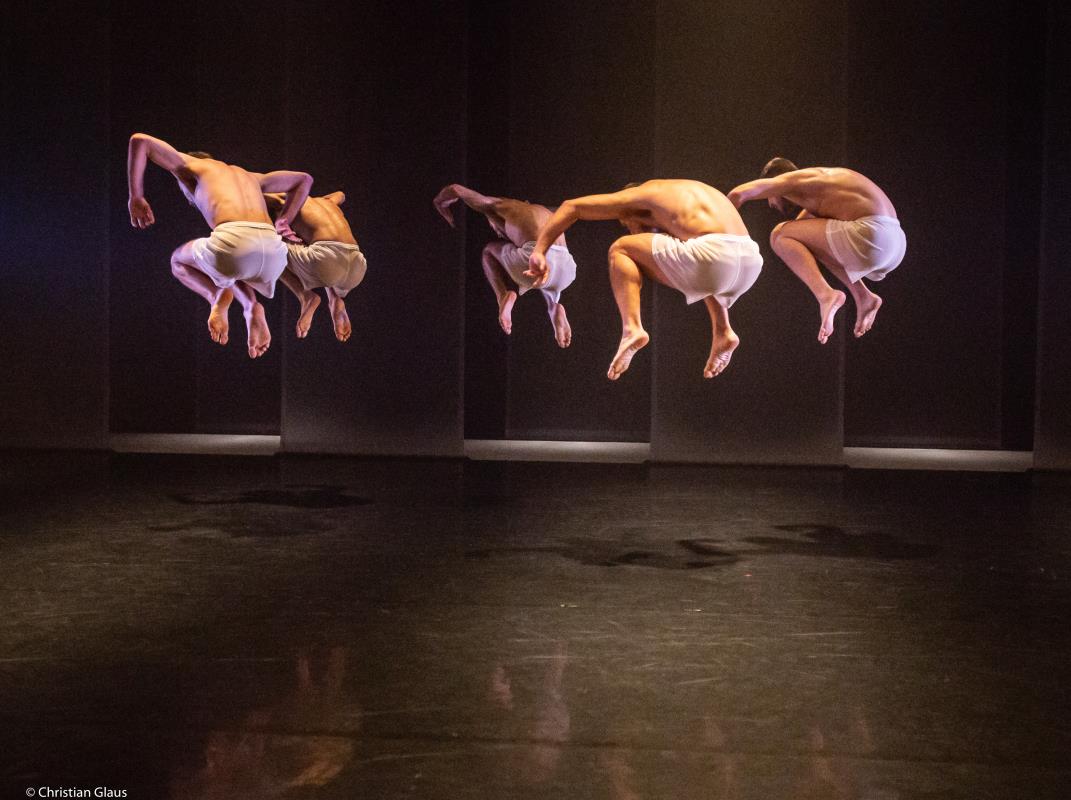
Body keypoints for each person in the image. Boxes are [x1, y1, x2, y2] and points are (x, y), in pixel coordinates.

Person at [528, 179, 762, 380]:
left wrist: (539, 251)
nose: (633, 231)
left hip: (713, 256)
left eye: (627, 224)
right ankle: (723, 331)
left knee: (621, 249)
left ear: (630, 209)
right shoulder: (683, 193)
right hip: (750, 261)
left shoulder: (640, 195)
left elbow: (572, 207)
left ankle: (632, 329)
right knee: (693, 262)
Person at [126, 133, 313, 358]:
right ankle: (250, 307)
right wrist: (284, 220)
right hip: (274, 255)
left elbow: (140, 140)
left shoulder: (192, 166)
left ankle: (216, 296)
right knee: (228, 264)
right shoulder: (250, 177)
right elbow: (304, 180)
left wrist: (136, 196)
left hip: (233, 245)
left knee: (178, 261)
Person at [728, 158, 906, 343]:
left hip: (873, 235)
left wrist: (724, 234)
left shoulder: (794, 180)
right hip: (896, 244)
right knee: (807, 243)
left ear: (775, 182)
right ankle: (864, 297)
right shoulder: (819, 187)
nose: (772, 205)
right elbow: (800, 238)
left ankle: (826, 296)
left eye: (771, 198)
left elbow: (738, 194)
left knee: (778, 235)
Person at [434, 183, 576, 347]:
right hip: (567, 269)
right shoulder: (545, 212)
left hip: (536, 259)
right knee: (542, 274)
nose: (497, 232)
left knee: (489, 251)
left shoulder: (505, 206)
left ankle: (502, 296)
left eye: (494, 226)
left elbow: (456, 189)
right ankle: (553, 307)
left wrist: (440, 202)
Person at [265, 191, 367, 342]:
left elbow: (255, 195)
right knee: (310, 246)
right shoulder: (326, 202)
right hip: (357, 264)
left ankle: (306, 297)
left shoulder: (284, 200)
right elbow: (341, 194)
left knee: (265, 248)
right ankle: (335, 299)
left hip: (325, 260)